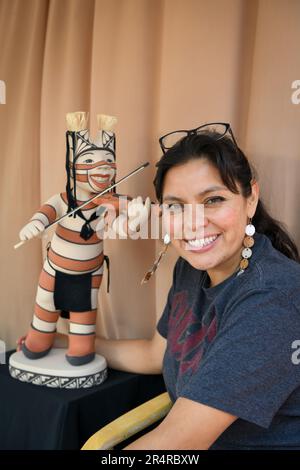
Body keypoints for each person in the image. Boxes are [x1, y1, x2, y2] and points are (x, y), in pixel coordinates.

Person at [17, 123, 300, 450]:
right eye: (176, 206)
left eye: (213, 200)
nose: (193, 222)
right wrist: (67, 341)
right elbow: (158, 353)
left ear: (250, 199)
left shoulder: (274, 298)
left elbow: (175, 444)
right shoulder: (192, 268)